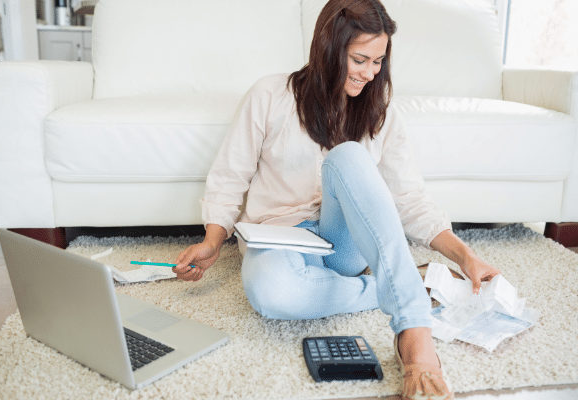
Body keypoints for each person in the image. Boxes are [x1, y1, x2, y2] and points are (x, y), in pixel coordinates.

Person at [172, 0, 500, 398]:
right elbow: (229, 176)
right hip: (279, 239)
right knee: (272, 294)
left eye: (378, 61)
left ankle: (413, 328)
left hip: (345, 247)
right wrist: (212, 240)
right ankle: (402, 281)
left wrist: (464, 255)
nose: (370, 73)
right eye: (360, 59)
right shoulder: (269, 95)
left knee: (348, 155)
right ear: (329, 48)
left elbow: (409, 198)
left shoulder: (382, 114)